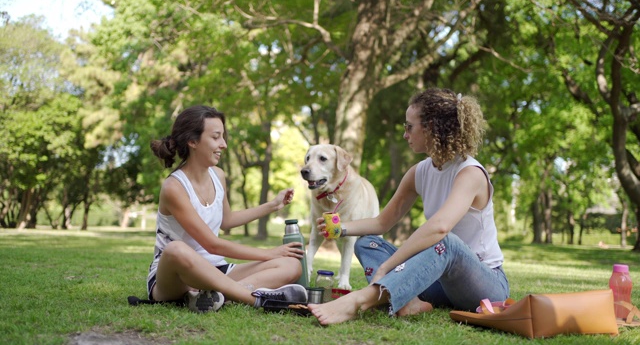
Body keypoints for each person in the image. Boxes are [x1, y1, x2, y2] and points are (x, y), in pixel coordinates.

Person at [308, 88, 509, 325]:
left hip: (483, 286)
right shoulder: (419, 172)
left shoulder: (470, 173)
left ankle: (359, 301)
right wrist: (340, 228)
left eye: (409, 126)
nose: (405, 134)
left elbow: (440, 228)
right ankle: (409, 300)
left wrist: (387, 266)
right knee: (366, 241)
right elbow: (382, 222)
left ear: (431, 128)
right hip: (437, 283)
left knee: (447, 242)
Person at [148, 105, 307, 313]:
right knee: (176, 249)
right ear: (193, 141)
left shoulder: (218, 175)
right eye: (216, 137)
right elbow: (212, 244)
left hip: (217, 270)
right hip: (175, 277)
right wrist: (268, 253)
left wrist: (272, 206)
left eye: (223, 137)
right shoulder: (174, 187)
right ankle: (256, 299)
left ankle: (215, 297)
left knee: (291, 265)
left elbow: (227, 220)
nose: (223, 144)